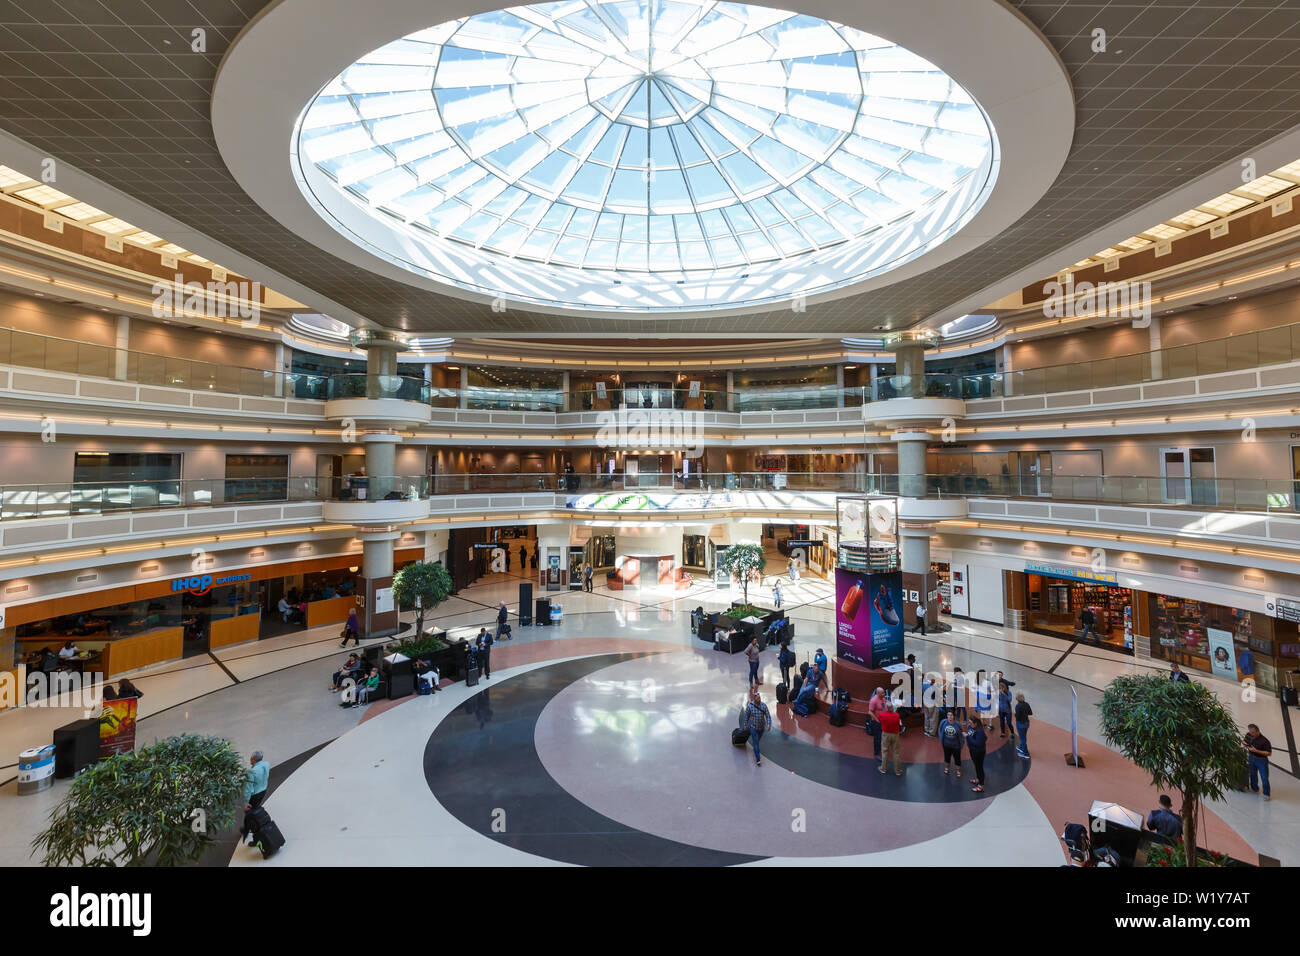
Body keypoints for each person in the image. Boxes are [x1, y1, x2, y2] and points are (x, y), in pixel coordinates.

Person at [744, 688, 773, 766]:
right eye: (757, 698)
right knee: (756, 742)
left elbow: (768, 716)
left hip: (761, 728)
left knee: (757, 741)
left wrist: (769, 724)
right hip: (753, 727)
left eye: (759, 698)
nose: (759, 699)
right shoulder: (750, 706)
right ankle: (758, 759)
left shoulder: (763, 706)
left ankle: (755, 747)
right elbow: (746, 716)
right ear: (754, 699)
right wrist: (745, 725)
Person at [1245, 724, 1272, 800]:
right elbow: (1245, 742)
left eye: (1253, 732)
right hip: (1251, 758)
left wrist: (1256, 751)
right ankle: (1254, 788)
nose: (1251, 734)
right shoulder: (1249, 735)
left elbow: (1269, 753)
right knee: (1252, 774)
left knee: (1264, 777)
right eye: (1250, 732)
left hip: (1261, 761)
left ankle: (1266, 794)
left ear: (1258, 732)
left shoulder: (1265, 741)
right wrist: (1245, 744)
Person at [878, 701, 903, 776]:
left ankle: (883, 768)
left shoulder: (882, 715)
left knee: (885, 751)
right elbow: (900, 723)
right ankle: (898, 771)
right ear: (892, 708)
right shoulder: (897, 715)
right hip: (895, 735)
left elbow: (880, 720)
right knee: (896, 752)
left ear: (886, 708)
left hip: (886, 734)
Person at [965, 716, 987, 792]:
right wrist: (968, 735)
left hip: (979, 752)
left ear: (976, 723)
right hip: (972, 750)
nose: (969, 724)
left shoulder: (980, 731)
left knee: (979, 767)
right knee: (976, 766)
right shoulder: (971, 727)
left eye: (971, 723)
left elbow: (978, 743)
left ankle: (981, 785)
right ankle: (978, 779)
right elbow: (968, 732)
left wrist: (968, 736)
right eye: (969, 722)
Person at [938, 709, 963, 776]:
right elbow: (940, 730)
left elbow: (961, 734)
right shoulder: (943, 722)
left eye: (951, 715)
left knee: (957, 759)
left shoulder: (957, 724)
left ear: (954, 716)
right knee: (947, 757)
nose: (949, 717)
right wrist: (941, 740)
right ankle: (947, 768)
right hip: (946, 745)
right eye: (948, 715)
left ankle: (958, 771)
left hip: (956, 746)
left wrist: (962, 744)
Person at [867, 687, 887, 761]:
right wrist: (877, 720)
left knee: (882, 736)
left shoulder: (883, 698)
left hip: (883, 721)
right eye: (882, 693)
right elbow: (869, 712)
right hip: (876, 722)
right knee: (877, 738)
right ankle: (876, 753)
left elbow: (884, 707)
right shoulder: (873, 701)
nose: (884, 694)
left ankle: (881, 748)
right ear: (878, 693)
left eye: (884, 692)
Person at [1014, 693, 1032, 759]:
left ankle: (1025, 753)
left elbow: (1017, 717)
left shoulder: (1018, 706)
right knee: (1023, 737)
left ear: (1017, 699)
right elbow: (1030, 713)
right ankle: (1021, 747)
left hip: (1020, 724)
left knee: (1022, 738)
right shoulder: (1027, 704)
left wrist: (1015, 715)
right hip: (1027, 723)